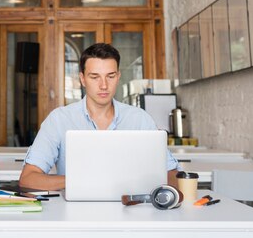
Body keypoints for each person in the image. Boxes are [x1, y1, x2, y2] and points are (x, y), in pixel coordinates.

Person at [19, 43, 180, 191]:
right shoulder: (59, 119)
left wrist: (167, 196)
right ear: (82, 79)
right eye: (94, 77)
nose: (103, 85)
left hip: (131, 208)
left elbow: (171, 171)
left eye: (110, 76)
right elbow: (28, 178)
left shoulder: (140, 119)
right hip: (75, 212)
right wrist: (83, 180)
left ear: (118, 76)